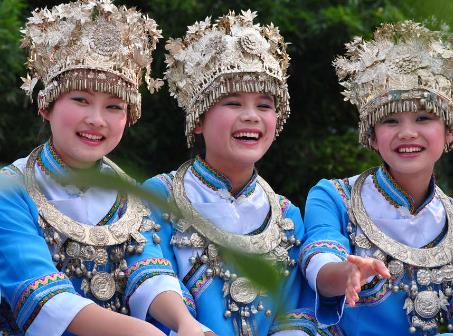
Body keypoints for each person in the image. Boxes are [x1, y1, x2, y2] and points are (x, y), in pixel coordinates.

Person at [0, 1, 203, 335]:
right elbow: (42, 296)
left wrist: (185, 322)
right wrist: (144, 332)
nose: (96, 119)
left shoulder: (130, 195)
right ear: (46, 106)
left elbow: (148, 270)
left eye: (113, 106)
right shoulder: (12, 189)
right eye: (80, 100)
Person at [143, 10, 318, 336]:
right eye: (233, 103)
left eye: (264, 105)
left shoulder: (286, 215)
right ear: (197, 119)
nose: (251, 116)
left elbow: (294, 314)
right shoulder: (159, 195)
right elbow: (152, 278)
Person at [301, 21, 453, 335]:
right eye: (391, 120)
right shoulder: (334, 197)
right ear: (371, 136)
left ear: (449, 132)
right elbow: (319, 257)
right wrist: (346, 273)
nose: (407, 133)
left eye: (423, 117)